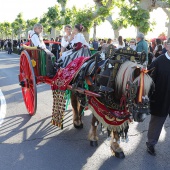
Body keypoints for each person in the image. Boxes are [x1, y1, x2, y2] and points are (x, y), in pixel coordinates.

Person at [146, 37, 170, 156]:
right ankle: (151, 144)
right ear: (166, 46)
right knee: (156, 123)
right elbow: (149, 81)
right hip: (161, 98)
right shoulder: (158, 62)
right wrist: (150, 98)